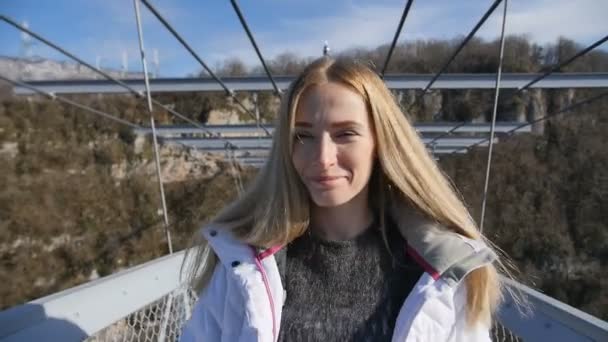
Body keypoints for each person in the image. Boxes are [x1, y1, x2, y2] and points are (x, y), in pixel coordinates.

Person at [179, 57, 504, 341]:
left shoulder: (442, 271)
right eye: (303, 135)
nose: (321, 157)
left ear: (381, 143)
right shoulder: (243, 264)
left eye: (345, 133)